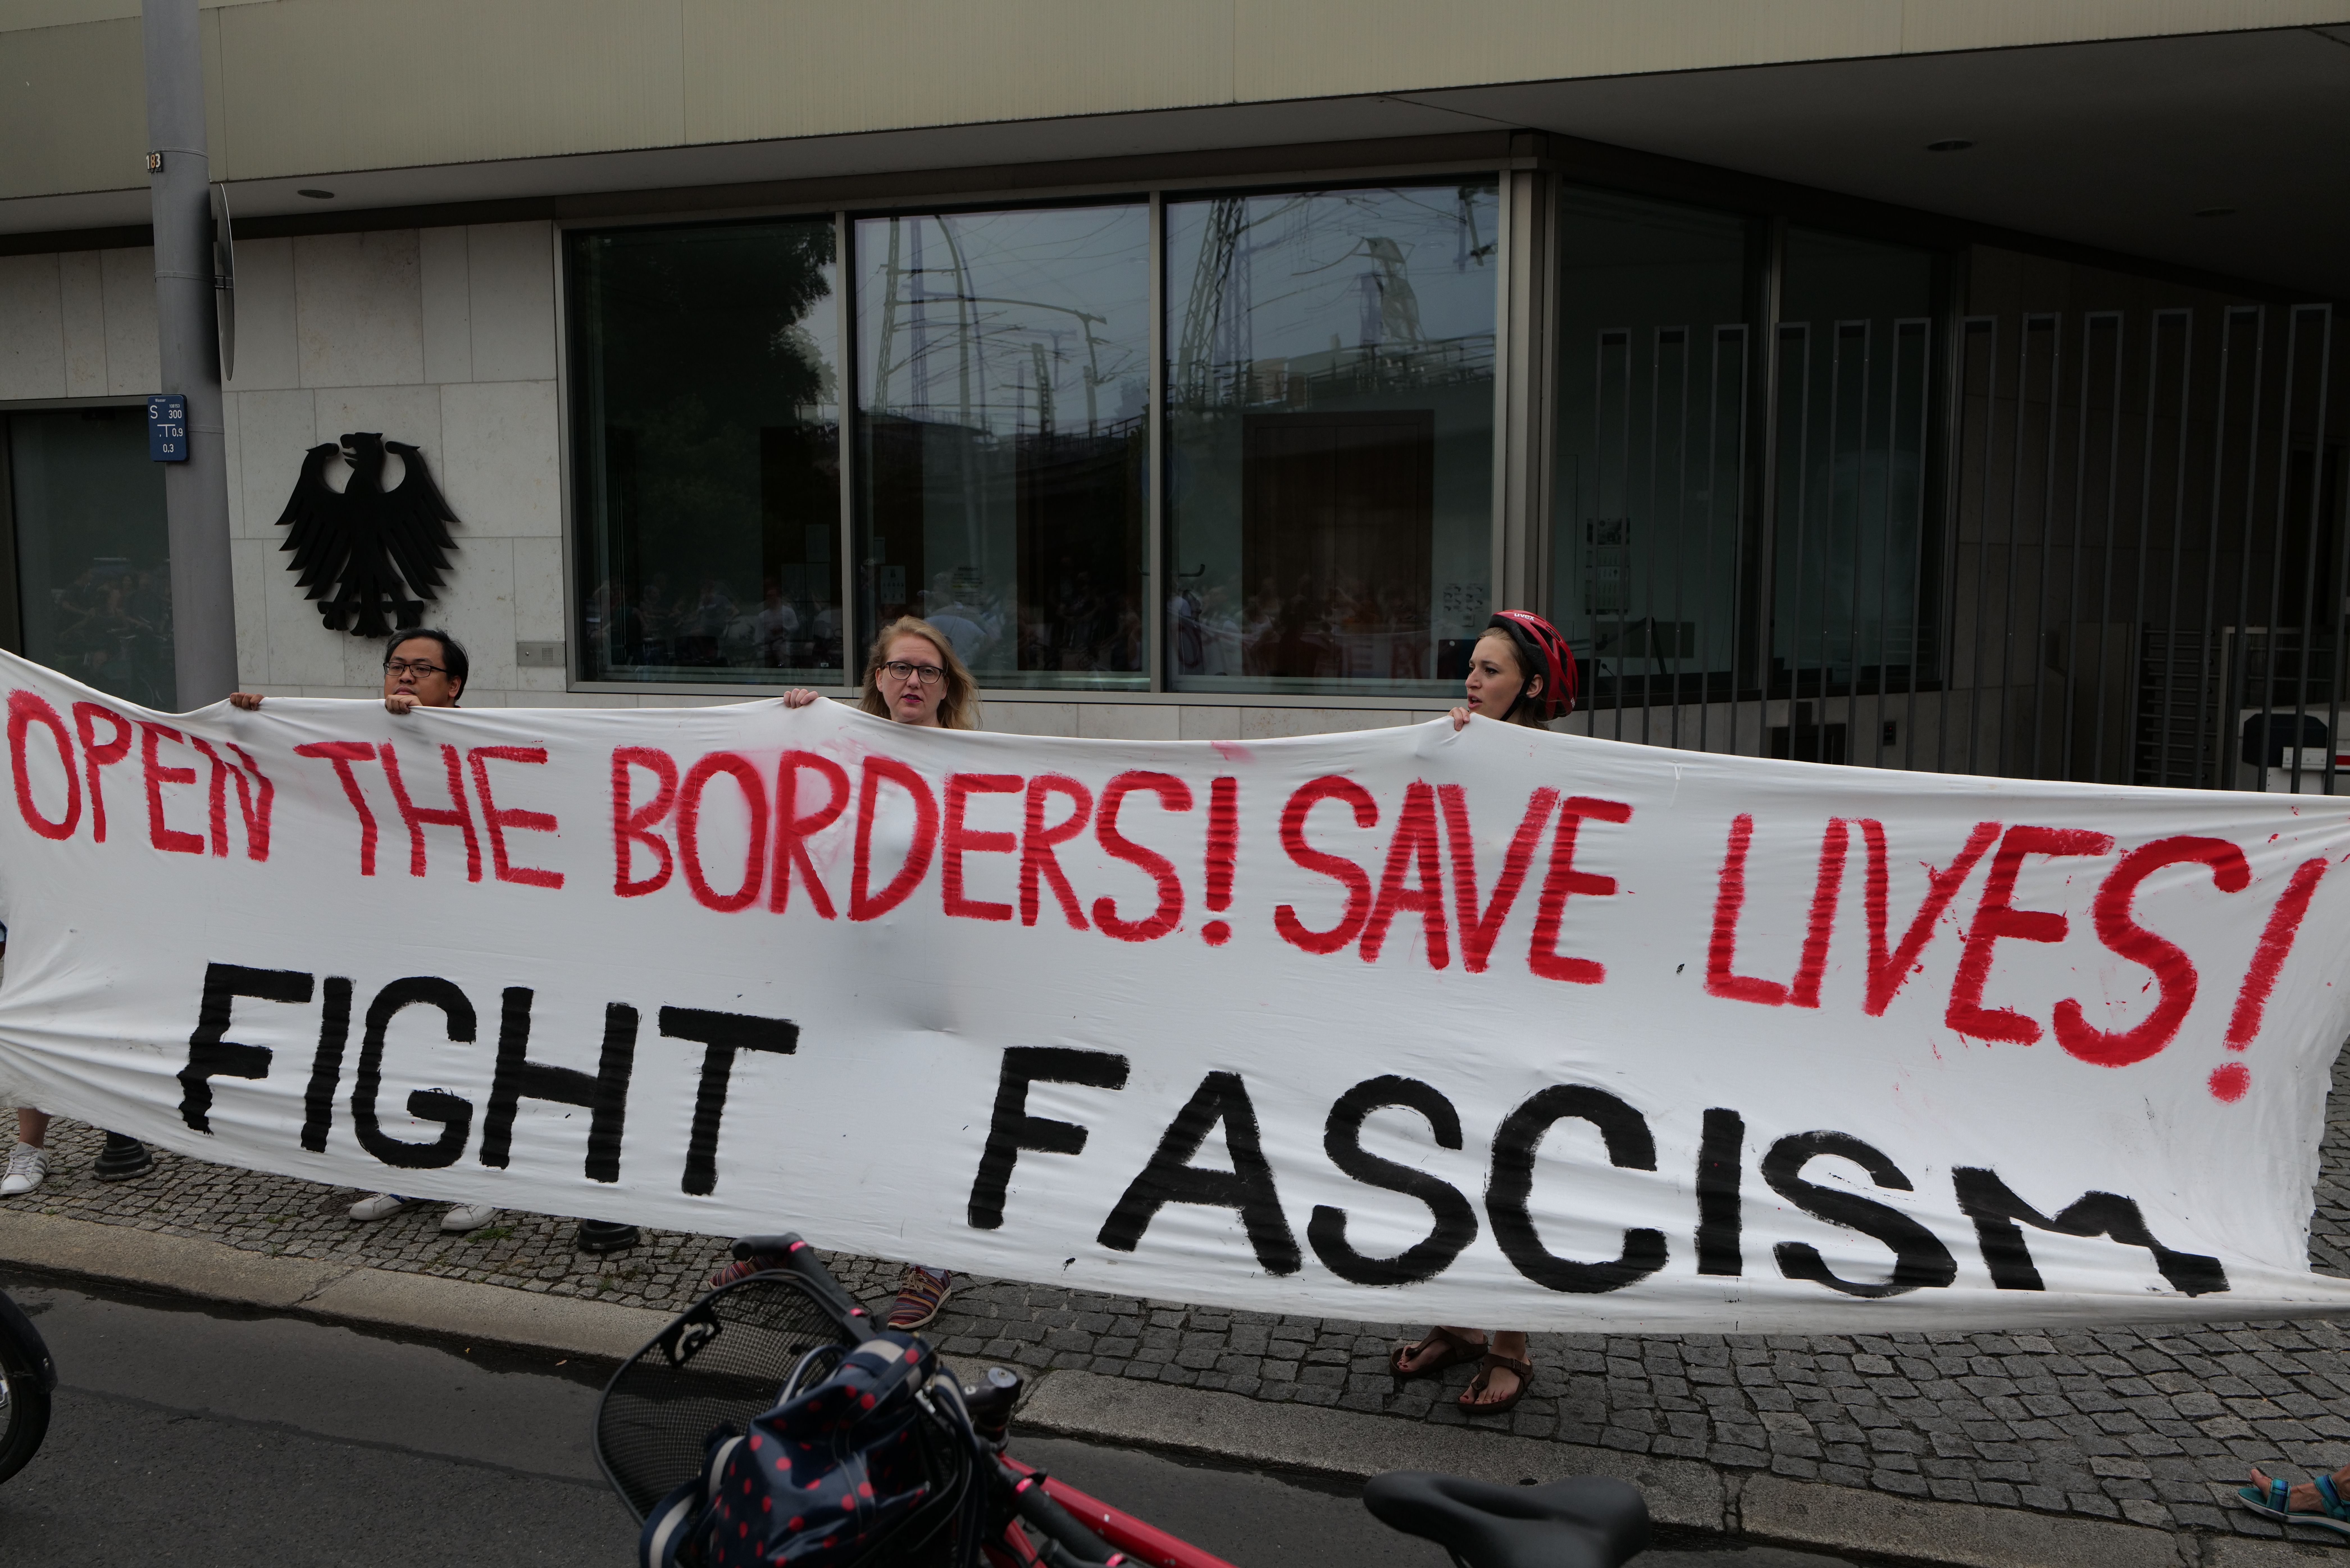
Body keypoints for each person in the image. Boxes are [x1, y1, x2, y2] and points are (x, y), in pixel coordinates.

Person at [719, 616, 979, 1330]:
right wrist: (793, 728)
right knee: (806, 1102)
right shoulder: (841, 752)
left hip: (929, 971)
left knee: (925, 1114)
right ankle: (780, 1241)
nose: (913, 681)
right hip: (841, 964)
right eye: (900, 668)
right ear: (876, 677)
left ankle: (931, 1257)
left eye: (928, 671)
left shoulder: (976, 761)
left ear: (947, 684)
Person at [231, 631, 515, 1238]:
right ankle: (410, 1170)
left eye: (421, 668)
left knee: (473, 1046)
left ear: (454, 685)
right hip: (392, 922)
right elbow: (291, 771)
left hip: (472, 921)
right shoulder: (361, 736)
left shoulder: (487, 738)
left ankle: (481, 1178)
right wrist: (258, 722)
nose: (405, 677)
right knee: (401, 1044)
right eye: (396, 666)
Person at [1390, 610, 1578, 1417]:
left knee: (1515, 1169)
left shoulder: (1570, 767)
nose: (1472, 680)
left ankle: (1513, 1346)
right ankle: (1462, 1323)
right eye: (1471, 666)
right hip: (1461, 988)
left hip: (1531, 998)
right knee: (1453, 1154)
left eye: (1491, 671)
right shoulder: (1458, 748)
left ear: (1531, 687)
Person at [0, 923, 155, 1196]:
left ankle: (123, 1129)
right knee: (33, 1020)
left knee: (117, 999)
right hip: (37, 927)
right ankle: (31, 1147)